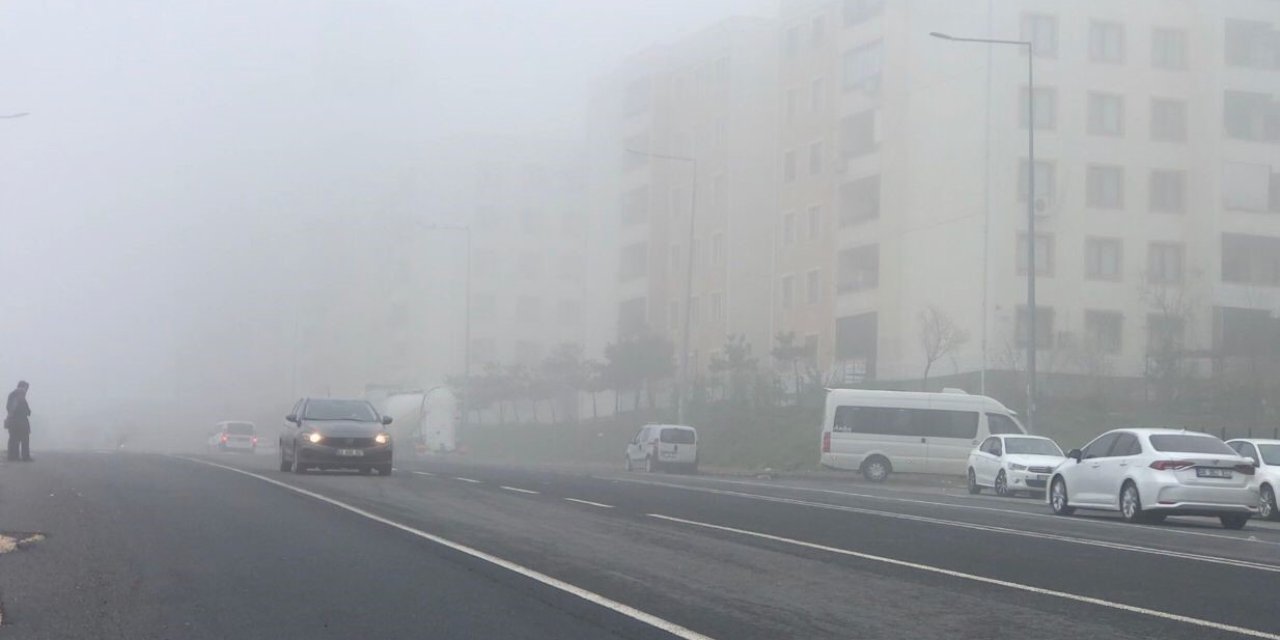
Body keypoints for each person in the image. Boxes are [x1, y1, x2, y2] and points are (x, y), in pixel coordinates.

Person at [5, 380, 32, 461]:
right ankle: (25, 457)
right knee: (24, 439)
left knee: (13, 439)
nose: (26, 390)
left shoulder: (12, 395)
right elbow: (25, 410)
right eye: (26, 388)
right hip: (20, 422)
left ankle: (13, 456)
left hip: (13, 422)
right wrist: (28, 412)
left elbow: (8, 407)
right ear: (22, 387)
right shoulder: (20, 396)